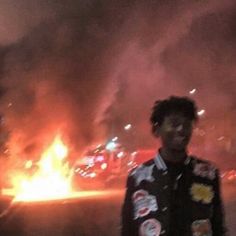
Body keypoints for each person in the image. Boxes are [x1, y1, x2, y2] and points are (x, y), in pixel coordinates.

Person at [121, 96, 227, 236]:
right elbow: (128, 229)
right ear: (157, 129)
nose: (181, 129)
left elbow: (218, 227)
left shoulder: (208, 174)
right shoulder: (138, 177)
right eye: (174, 123)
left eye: (187, 124)